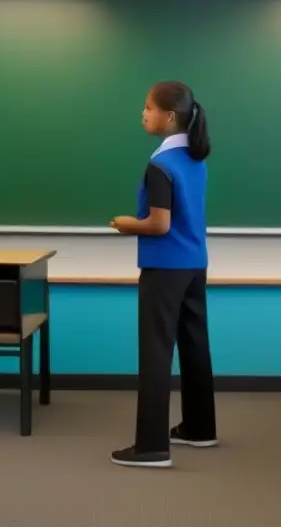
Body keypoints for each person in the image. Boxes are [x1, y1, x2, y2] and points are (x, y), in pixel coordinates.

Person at [109, 81, 217, 468]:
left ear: (168, 117)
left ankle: (151, 447)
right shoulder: (194, 158)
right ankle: (201, 427)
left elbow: (158, 224)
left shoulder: (160, 165)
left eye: (148, 107)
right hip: (194, 264)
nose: (143, 113)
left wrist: (126, 224)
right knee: (194, 345)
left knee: (155, 353)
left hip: (165, 267)